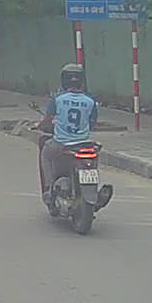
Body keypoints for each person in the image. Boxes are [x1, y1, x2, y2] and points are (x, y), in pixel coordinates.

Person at [37, 63, 98, 203]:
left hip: (61, 144)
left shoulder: (57, 99)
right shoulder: (90, 101)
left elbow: (48, 119)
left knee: (46, 155)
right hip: (84, 144)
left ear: (64, 80)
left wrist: (41, 126)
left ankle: (48, 187)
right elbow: (92, 123)